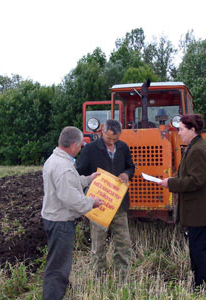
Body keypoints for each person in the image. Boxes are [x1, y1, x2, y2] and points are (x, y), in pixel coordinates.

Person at [159, 114, 206, 293]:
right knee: (197, 249)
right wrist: (176, 179)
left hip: (202, 211)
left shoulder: (197, 150)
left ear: (192, 130)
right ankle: (199, 285)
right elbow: (191, 177)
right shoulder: (195, 147)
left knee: (199, 250)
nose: (178, 133)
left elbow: (196, 181)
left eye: (181, 129)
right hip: (200, 210)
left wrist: (170, 183)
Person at [41, 126, 102, 300]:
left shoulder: (56, 160)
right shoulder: (64, 167)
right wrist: (92, 203)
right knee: (58, 268)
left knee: (55, 263)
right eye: (81, 144)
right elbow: (72, 199)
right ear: (73, 144)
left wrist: (89, 179)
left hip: (53, 218)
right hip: (61, 222)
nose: (82, 147)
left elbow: (71, 183)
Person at [76, 119, 135, 279]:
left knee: (123, 243)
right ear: (102, 131)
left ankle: (122, 275)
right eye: (109, 139)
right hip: (98, 205)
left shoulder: (123, 147)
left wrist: (126, 174)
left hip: (119, 205)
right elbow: (79, 172)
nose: (112, 142)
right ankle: (99, 276)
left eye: (115, 139)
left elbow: (131, 167)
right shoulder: (90, 149)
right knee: (98, 244)